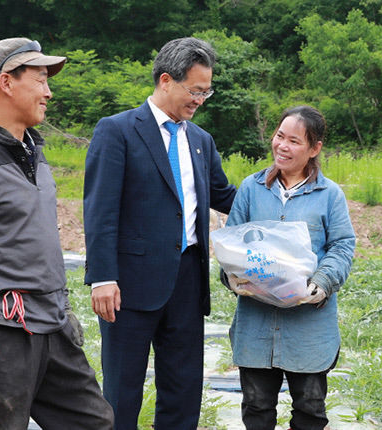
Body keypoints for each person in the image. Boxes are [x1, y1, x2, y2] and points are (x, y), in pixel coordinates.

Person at [0, 37, 113, 429]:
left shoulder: (34, 152)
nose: (48, 92)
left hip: (52, 326)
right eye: (40, 80)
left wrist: (64, 311)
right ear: (6, 82)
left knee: (95, 423)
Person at [83, 37, 237, 429]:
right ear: (166, 80)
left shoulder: (200, 141)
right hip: (128, 286)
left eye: (207, 91)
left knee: (183, 390)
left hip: (187, 279)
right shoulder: (117, 131)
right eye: (196, 90)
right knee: (122, 391)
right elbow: (100, 210)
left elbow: (227, 197)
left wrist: (282, 188)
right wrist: (102, 277)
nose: (201, 100)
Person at [222, 105, 355, 430]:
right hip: (256, 323)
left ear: (314, 149)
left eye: (294, 141)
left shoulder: (329, 195)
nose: (282, 146)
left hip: (309, 327)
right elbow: (231, 243)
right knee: (256, 407)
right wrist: (231, 276)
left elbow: (342, 246)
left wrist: (322, 282)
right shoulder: (252, 189)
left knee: (310, 409)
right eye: (280, 136)